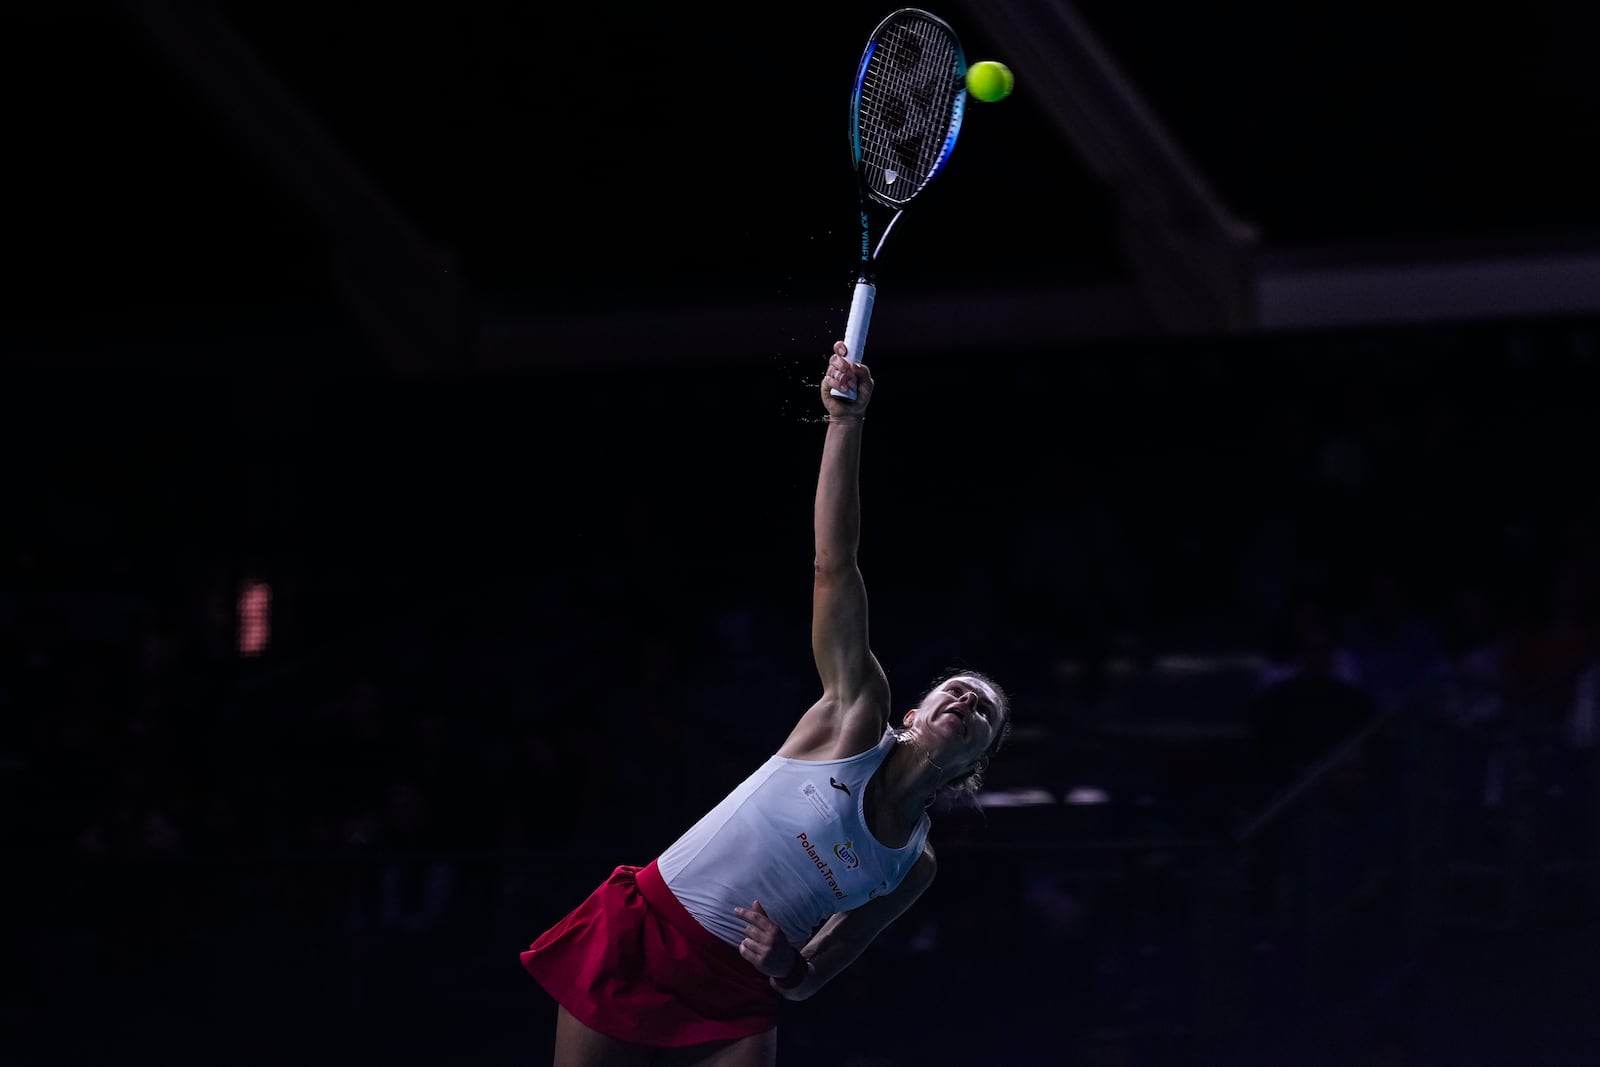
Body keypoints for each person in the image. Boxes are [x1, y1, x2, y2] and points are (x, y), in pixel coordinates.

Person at [520, 340, 1012, 1065]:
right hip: (653, 926)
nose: (966, 700)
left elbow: (813, 975)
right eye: (957, 689)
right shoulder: (852, 716)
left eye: (984, 713)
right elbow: (832, 564)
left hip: (739, 989)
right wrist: (846, 424)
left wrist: (786, 961)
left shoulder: (913, 866)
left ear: (977, 760)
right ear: (913, 711)